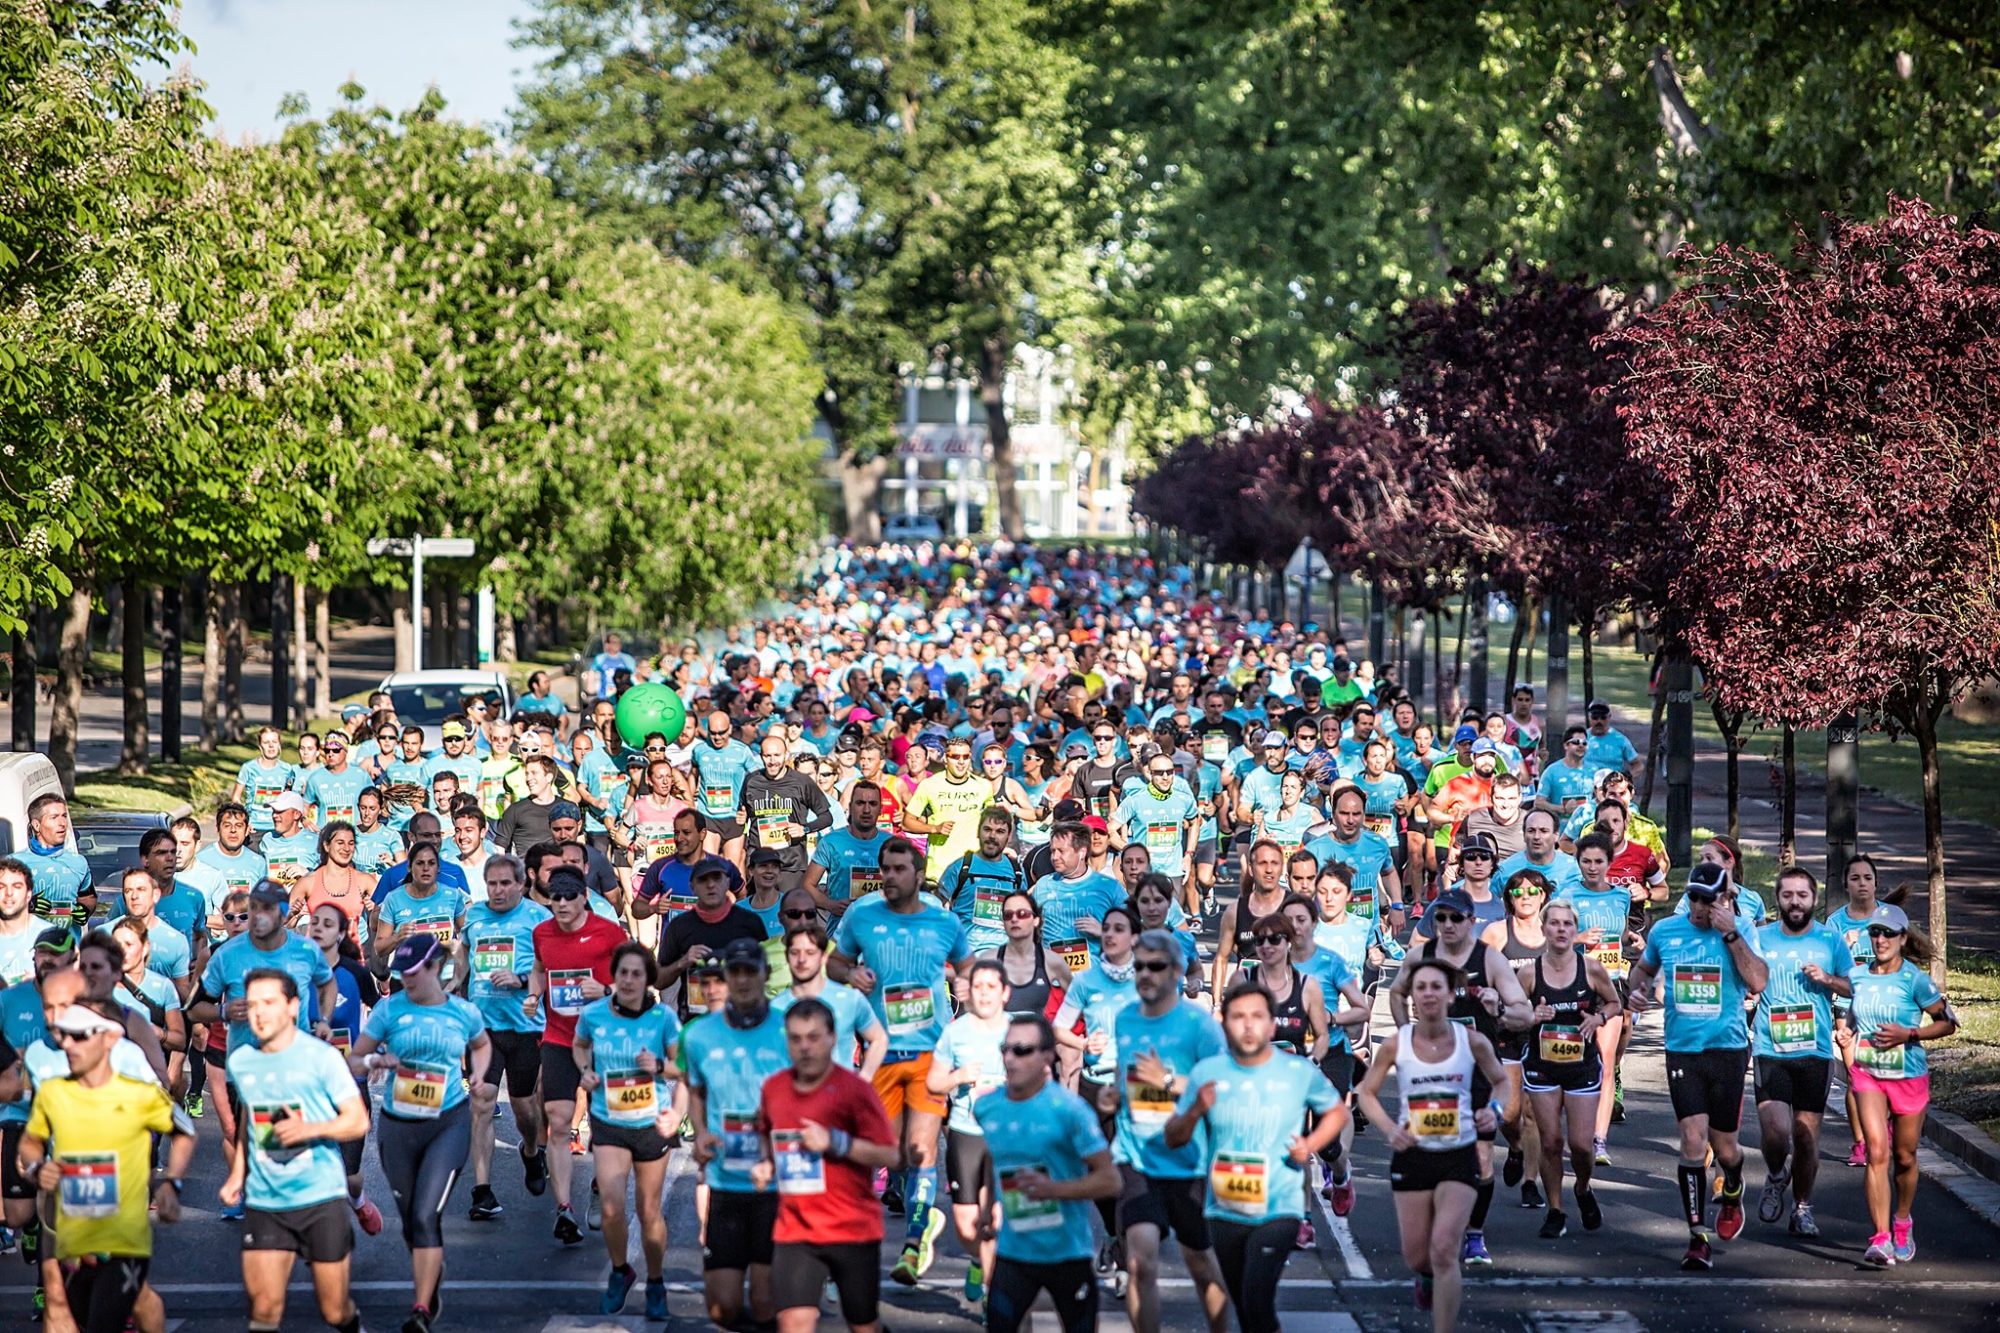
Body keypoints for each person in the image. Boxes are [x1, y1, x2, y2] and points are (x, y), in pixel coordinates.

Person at [830, 835, 973, 1284]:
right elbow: (836, 962)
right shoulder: (862, 914)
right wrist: (850, 972)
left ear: (917, 874)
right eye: (884, 869)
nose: (888, 877)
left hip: (931, 1053)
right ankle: (918, 1215)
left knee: (920, 1148)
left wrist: (965, 993)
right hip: (881, 1053)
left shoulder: (944, 921)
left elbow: (967, 968)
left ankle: (913, 1243)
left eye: (897, 869)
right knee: (890, 1153)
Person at [1164, 981, 1346, 1333]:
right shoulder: (1207, 1073)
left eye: (1257, 1017)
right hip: (1224, 1208)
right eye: (1238, 1017)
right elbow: (1173, 1137)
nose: (1248, 1026)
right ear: (1224, 1023)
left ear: (1271, 1023)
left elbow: (1336, 1111)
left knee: (1257, 1299)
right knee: (1247, 1311)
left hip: (1278, 1207)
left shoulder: (1297, 1072)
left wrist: (1310, 1145)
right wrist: (1194, 1110)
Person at [1625, 860, 1770, 1270]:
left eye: (1710, 899)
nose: (1700, 907)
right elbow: (1643, 971)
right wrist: (1635, 993)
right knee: (1692, 1140)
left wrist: (1730, 934)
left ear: (1727, 898)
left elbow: (1758, 981)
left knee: (1726, 1147)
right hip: (1682, 1049)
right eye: (1694, 898)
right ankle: (1696, 1235)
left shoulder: (1741, 932)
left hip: (1726, 1049)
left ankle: (1735, 1185)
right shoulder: (1666, 931)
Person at [1355, 957, 1511, 1331]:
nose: (1427, 995)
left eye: (1435, 987)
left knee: (1444, 1249)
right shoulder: (1396, 1045)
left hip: (1459, 1155)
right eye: (1420, 987)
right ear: (1411, 996)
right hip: (1412, 1156)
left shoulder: (1471, 1041)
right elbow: (1366, 1093)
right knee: (1417, 1256)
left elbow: (1502, 1082)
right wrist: (1390, 1130)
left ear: (1450, 995)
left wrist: (1494, 1109)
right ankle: (1423, 1276)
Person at [352, 933, 490, 1333]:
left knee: (427, 1216)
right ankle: (431, 1271)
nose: (406, 980)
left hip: (447, 1122)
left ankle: (421, 1309)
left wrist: (479, 1075)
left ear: (434, 967)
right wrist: (378, 1058)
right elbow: (355, 1060)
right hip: (398, 1128)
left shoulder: (462, 1012)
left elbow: (481, 1045)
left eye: (413, 972)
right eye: (401, 973)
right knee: (412, 1222)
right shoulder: (389, 1010)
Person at [1389, 886, 1532, 1266]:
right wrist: (1407, 1036)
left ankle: (1474, 1234)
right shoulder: (1421, 956)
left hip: (1478, 1069)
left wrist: (1498, 1006)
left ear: (1471, 921)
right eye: (1441, 918)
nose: (1448, 925)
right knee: (1433, 1151)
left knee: (1482, 1159)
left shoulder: (1490, 960)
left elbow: (1524, 1012)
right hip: (1433, 1072)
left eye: (1456, 918)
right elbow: (1396, 992)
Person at [223, 969, 371, 1333]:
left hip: (319, 1196)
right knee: (264, 1311)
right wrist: (238, 1174)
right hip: (266, 1201)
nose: (258, 1013)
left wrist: (310, 1129)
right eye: (252, 1004)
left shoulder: (321, 1058)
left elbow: (357, 1121)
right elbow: (249, 1123)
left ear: (293, 1006)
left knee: (334, 1310)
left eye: (269, 1003)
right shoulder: (242, 1062)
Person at [1101, 928, 1231, 1333]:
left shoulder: (1199, 1026)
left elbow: (1220, 1088)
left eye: (1155, 966)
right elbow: (1128, 1079)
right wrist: (1114, 1097)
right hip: (1135, 1156)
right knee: (1140, 1261)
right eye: (1139, 966)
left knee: (1201, 1264)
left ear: (1176, 970)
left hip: (1188, 1159)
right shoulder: (1124, 1018)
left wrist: (1169, 1081)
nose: (1145, 974)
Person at [754, 997, 901, 1333]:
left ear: (833, 1039)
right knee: (793, 1322)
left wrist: (837, 1142)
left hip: (851, 1228)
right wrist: (765, 1166)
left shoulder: (854, 1091)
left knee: (863, 1325)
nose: (805, 1047)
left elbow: (890, 1155)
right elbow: (767, 1138)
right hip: (796, 1229)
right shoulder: (774, 1088)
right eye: (796, 1039)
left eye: (814, 1037)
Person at [975, 1012, 1122, 1333]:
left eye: (1022, 1050)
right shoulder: (987, 1107)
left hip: (1066, 1255)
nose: (1010, 1059)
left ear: (1047, 1056)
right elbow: (994, 1155)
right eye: (1006, 1049)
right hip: (1013, 1254)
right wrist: (987, 1208)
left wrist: (1053, 1190)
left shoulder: (1070, 1111)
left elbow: (1110, 1179)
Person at [682, 938, 792, 1329]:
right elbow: (694, 1089)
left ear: (765, 975)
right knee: (722, 1308)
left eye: (751, 972)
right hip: (725, 1182)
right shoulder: (699, 1035)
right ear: (726, 977)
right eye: (736, 972)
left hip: (775, 1184)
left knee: (764, 1302)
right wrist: (701, 1132)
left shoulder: (790, 1031)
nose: (743, 980)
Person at [1844, 902, 1955, 1266]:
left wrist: (1909, 1032)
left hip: (1907, 1074)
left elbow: (1947, 1023)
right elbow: (1852, 1017)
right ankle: (1880, 1238)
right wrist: (1846, 1034)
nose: (1880, 939)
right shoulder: (1858, 975)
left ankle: (1902, 1219)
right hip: (1869, 1073)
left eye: (1888, 933)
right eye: (1875, 932)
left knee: (1904, 1157)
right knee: (1877, 1151)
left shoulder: (1916, 980)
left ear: (1903, 938)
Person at [574, 941, 682, 1317]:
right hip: (608, 1119)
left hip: (651, 1122)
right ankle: (621, 1271)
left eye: (638, 973)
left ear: (648, 977)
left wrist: (658, 1067)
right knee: (610, 1206)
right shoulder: (594, 1014)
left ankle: (655, 1280)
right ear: (614, 977)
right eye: (623, 973)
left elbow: (681, 1066)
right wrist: (585, 1070)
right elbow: (579, 1044)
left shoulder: (663, 1019)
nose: (630, 980)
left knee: (649, 1211)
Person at [1751, 865, 1852, 1238]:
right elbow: (1744, 976)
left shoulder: (1831, 941)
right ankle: (1777, 1174)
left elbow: (1854, 986)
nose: (1795, 902)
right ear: (1777, 898)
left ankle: (1803, 1208)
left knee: (1807, 1136)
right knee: (1776, 1133)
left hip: (1815, 1050)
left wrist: (1829, 980)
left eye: (1803, 895)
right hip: (1770, 1047)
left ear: (1814, 898)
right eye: (1788, 895)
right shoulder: (1759, 937)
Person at [529, 864, 628, 1241]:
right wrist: (534, 994)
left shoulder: (608, 933)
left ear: (584, 897)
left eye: (570, 896)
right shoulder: (542, 932)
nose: (563, 903)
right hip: (558, 1036)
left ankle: (599, 1188)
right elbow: (539, 968)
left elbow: (634, 976)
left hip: (603, 1039)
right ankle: (564, 1209)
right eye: (556, 897)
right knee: (557, 1116)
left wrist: (605, 992)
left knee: (606, 1124)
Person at [1516, 900, 1621, 1238]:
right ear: (1543, 929)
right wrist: (1532, 1017)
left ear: (1575, 931)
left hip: (1581, 1066)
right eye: (1554, 923)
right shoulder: (1529, 973)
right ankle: (1556, 1209)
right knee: (1550, 1142)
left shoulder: (1590, 969)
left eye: (1567, 924)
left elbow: (1615, 1003)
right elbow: (1512, 1016)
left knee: (1580, 1145)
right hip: (1542, 1067)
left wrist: (1598, 1017)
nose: (1561, 929)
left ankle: (1583, 1188)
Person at [926, 958, 1013, 1301]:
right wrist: (958, 1078)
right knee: (966, 1225)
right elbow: (934, 1082)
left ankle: (995, 1299)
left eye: (992, 987)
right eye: (978, 987)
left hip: (1006, 1136)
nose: (985, 994)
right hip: (965, 1131)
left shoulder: (1018, 1030)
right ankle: (978, 1259)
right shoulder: (955, 1032)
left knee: (995, 1218)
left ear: (1005, 993)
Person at [655, 856, 767, 1022]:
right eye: (703, 879)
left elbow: (766, 975)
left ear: (727, 883)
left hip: (740, 1020)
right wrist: (682, 962)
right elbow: (658, 981)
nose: (710, 885)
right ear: (692, 887)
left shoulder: (749, 922)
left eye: (717, 878)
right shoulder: (679, 926)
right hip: (695, 1021)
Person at [776, 917, 888, 1076]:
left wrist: (863, 1081)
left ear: (823, 957)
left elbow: (879, 1040)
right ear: (787, 956)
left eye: (810, 952)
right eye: (795, 952)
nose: (802, 960)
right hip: (793, 1096)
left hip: (839, 1096)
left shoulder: (850, 999)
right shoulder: (774, 1007)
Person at [740, 734, 835, 890]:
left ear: (786, 755)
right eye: (767, 756)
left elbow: (826, 817)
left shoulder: (802, 781)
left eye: (777, 755)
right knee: (759, 912)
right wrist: (740, 819)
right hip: (759, 862)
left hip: (791, 865)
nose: (772, 761)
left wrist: (804, 828)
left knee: (789, 911)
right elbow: (742, 816)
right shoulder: (751, 781)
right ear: (761, 756)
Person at [939, 806, 1027, 956]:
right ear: (978, 832)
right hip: (966, 958)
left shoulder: (1016, 871)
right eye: (987, 829)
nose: (992, 836)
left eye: (1000, 831)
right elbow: (936, 910)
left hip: (1005, 958)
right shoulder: (960, 868)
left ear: (1009, 836)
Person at [903, 738, 993, 871]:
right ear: (945, 758)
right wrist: (934, 828)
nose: (961, 762)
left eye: (965, 757)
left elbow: (993, 822)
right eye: (955, 757)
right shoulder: (929, 785)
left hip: (972, 867)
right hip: (939, 869)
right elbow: (906, 823)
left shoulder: (983, 786)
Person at [805, 781, 893, 915]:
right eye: (860, 803)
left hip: (880, 927)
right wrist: (830, 905)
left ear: (881, 809)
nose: (866, 810)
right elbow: (807, 885)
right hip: (840, 928)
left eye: (873, 804)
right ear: (850, 807)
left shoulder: (892, 844)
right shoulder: (831, 842)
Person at [690, 710, 759, 867]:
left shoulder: (742, 751)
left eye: (721, 733)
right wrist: (691, 799)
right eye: (713, 733)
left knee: (731, 870)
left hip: (734, 816)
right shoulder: (700, 750)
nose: (717, 738)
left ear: (729, 729)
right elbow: (692, 775)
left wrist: (747, 809)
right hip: (708, 815)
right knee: (709, 867)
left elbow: (756, 782)